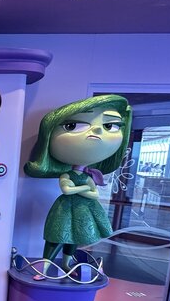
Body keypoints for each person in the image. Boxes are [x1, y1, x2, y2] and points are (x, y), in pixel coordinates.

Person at [24, 94, 132, 273]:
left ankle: (66, 263)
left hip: (82, 212)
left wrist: (81, 189)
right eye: (72, 126)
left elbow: (94, 194)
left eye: (109, 126)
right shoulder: (69, 174)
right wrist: (84, 188)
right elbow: (66, 190)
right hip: (65, 210)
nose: (96, 130)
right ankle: (44, 268)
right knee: (56, 236)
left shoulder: (88, 175)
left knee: (73, 238)